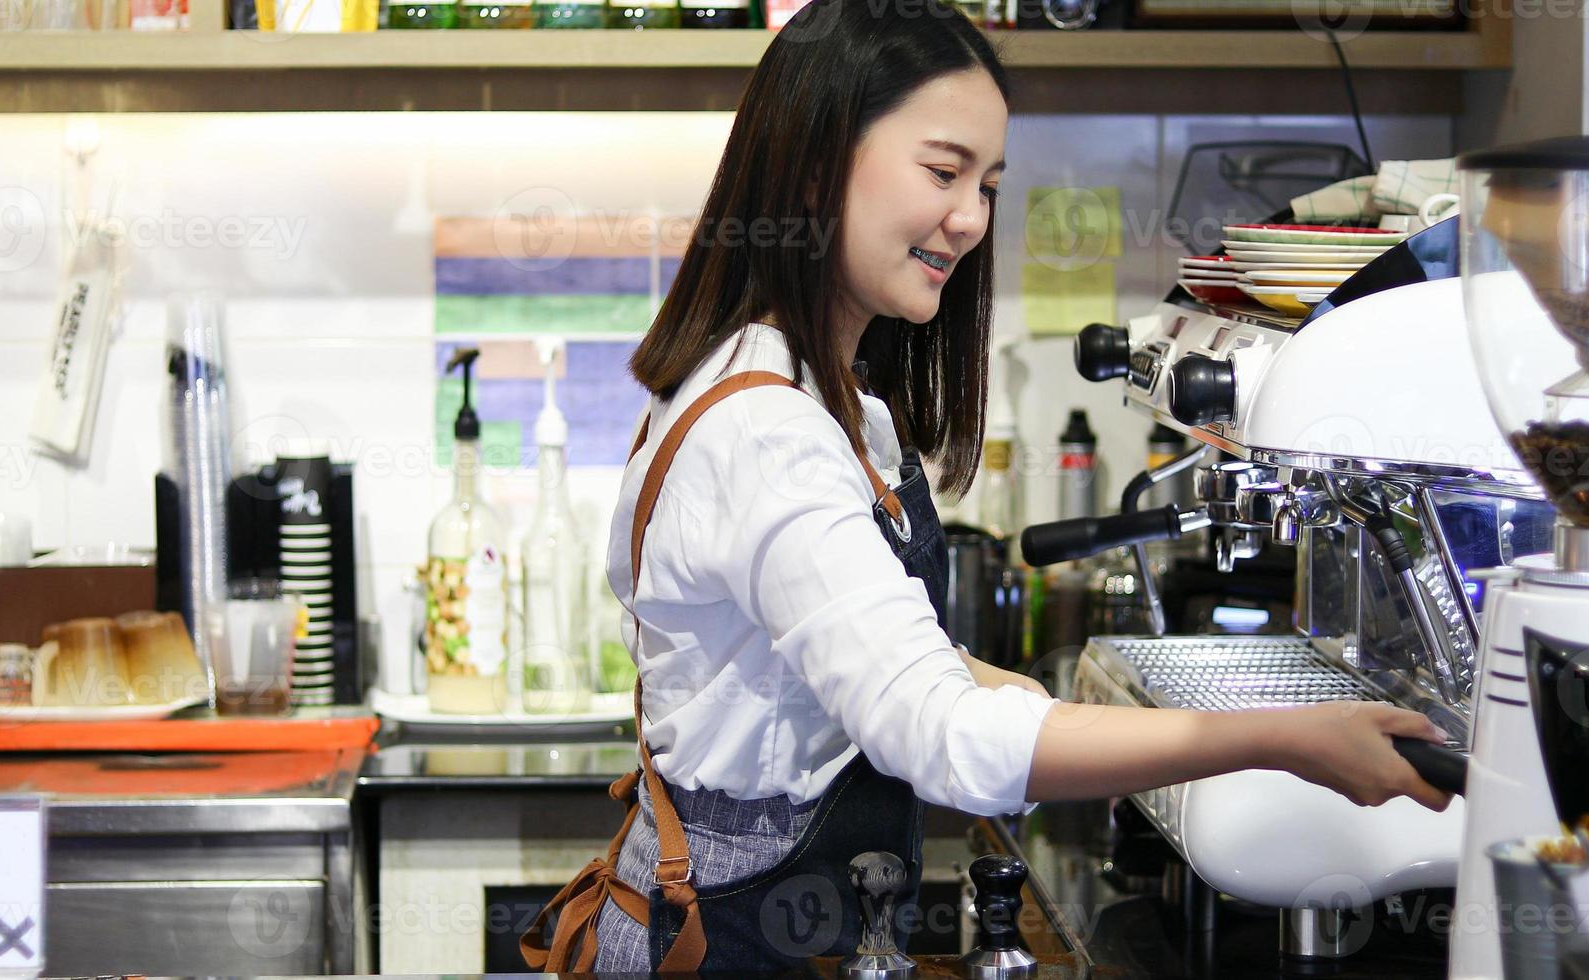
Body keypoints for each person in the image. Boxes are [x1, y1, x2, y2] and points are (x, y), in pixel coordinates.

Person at [518, 0, 1454, 971]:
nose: (969, 218)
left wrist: (1024, 690)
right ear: (811, 163)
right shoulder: (766, 431)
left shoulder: (805, 391)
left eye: (989, 183)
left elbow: (858, 658)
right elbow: (944, 738)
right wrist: (1279, 739)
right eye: (941, 170)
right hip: (721, 941)